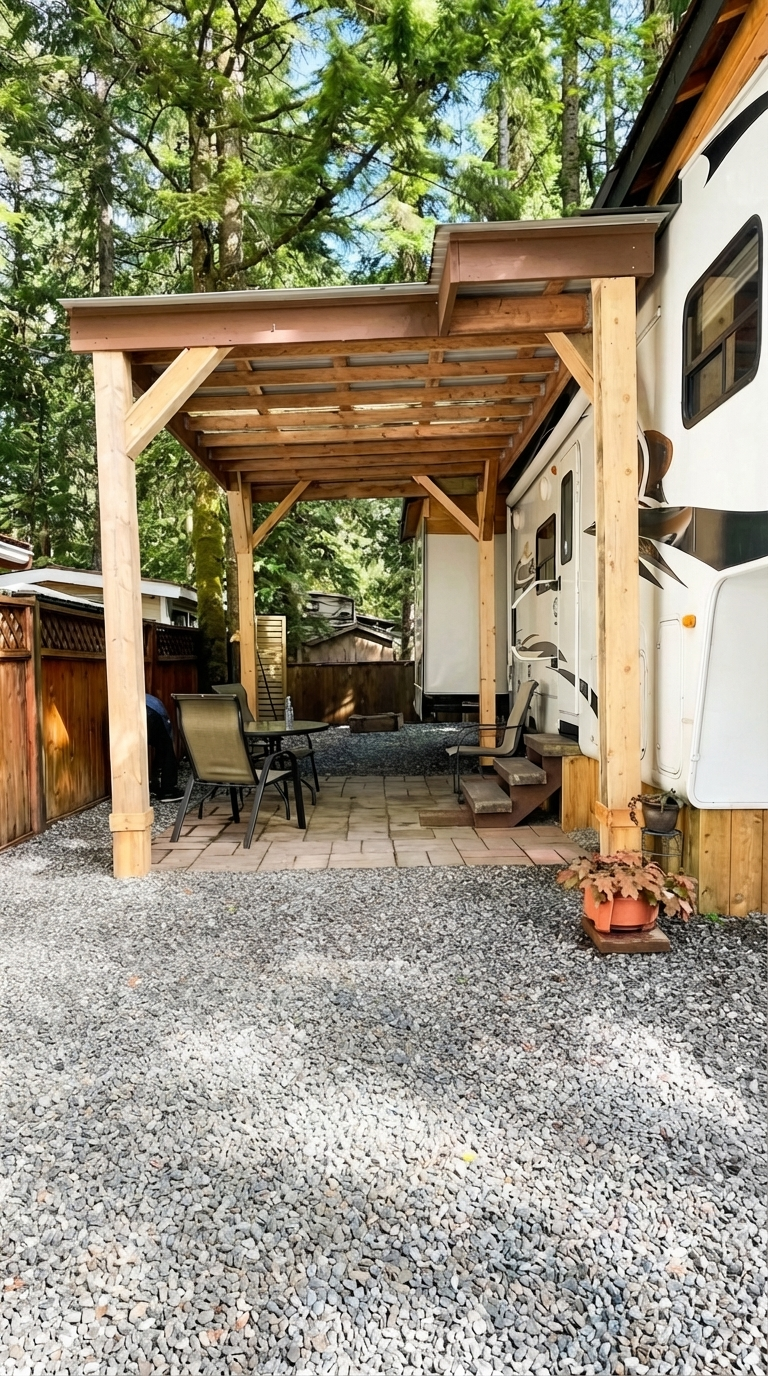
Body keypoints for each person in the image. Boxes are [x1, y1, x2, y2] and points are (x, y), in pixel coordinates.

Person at [146, 693, 184, 802]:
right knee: (166, 748)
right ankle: (168, 791)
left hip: (130, 708)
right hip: (152, 711)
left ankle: (152, 785)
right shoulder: (156, 704)